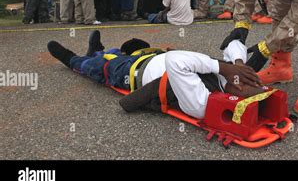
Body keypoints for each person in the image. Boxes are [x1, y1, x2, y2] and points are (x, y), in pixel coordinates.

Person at [47, 31, 262, 120]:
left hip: (130, 74)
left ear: (239, 93)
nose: (245, 78)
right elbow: (235, 44)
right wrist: (239, 64)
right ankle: (99, 50)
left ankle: (72, 59)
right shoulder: (233, 77)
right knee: (119, 52)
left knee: (96, 66)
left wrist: (226, 68)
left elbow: (176, 61)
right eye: (249, 78)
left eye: (245, 82)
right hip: (147, 58)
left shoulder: (201, 102)